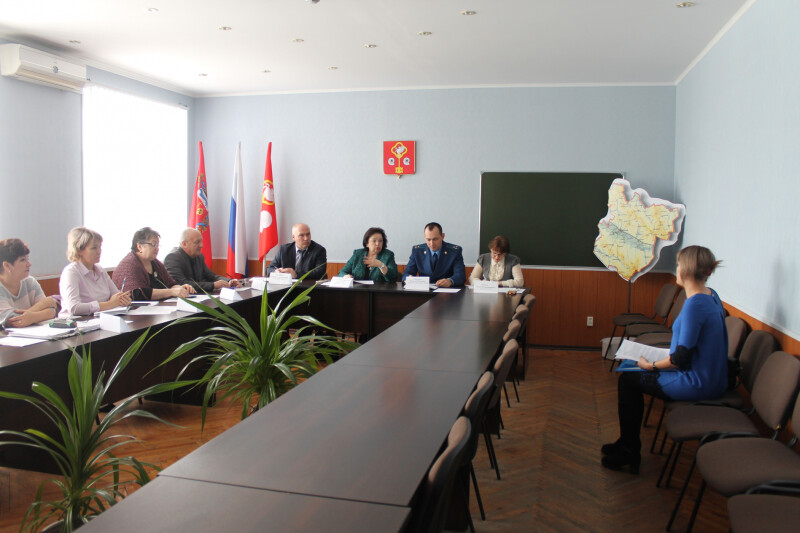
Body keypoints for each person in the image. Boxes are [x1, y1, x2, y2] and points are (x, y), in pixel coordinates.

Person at [601, 245, 728, 473]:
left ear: (686, 270)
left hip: (696, 381)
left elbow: (679, 359)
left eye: (678, 264)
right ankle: (627, 442)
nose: (676, 268)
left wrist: (649, 365)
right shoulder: (712, 296)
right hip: (713, 377)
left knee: (628, 381)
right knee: (630, 375)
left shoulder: (695, 305)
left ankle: (629, 450)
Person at [59, 227, 131, 316]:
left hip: (101, 319)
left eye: (100, 247)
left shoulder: (100, 270)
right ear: (78, 250)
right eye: (94, 248)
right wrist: (109, 304)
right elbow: (74, 308)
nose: (99, 252)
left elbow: (116, 295)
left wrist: (123, 299)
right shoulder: (71, 272)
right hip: (77, 322)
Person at [112, 227, 194, 301]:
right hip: (136, 311)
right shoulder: (129, 265)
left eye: (158, 245)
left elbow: (170, 284)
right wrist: (172, 292)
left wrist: (180, 288)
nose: (157, 248)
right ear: (139, 246)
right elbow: (137, 293)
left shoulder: (155, 263)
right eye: (153, 244)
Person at [0, 238, 58, 327]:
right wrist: (42, 305)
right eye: (22, 260)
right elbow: (11, 320)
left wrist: (31, 317)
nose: (29, 264)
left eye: (28, 259)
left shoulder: (30, 281)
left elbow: (52, 310)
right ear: (7, 266)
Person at [165, 228, 239, 293]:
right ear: (184, 244)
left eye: (201, 241)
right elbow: (181, 284)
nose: (201, 245)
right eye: (197, 242)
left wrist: (229, 281)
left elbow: (211, 276)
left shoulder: (199, 256)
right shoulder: (172, 257)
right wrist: (213, 285)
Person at [402, 222, 465, 287]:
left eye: (435, 239)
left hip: (445, 291)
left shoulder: (454, 252)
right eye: (428, 239)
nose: (432, 243)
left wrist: (450, 281)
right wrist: (408, 279)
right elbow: (407, 273)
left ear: (442, 236)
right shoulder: (417, 251)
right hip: (423, 291)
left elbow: (460, 275)